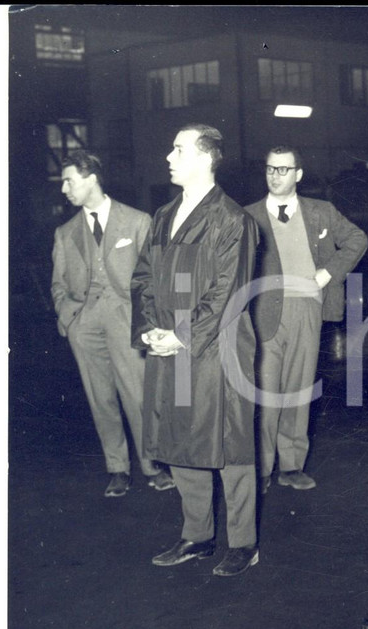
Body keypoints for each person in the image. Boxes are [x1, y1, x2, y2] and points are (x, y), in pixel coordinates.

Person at [131, 124, 260, 577]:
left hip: (217, 347)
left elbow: (228, 292)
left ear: (205, 158)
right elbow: (144, 277)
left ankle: (243, 543)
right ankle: (198, 536)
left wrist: (181, 335)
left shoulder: (233, 220)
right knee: (182, 435)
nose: (169, 155)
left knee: (231, 442)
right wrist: (151, 328)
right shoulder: (165, 215)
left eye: (178, 149)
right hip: (173, 346)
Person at [51, 150, 175, 497]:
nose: (64, 189)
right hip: (84, 324)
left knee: (138, 397)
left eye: (68, 181)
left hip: (127, 321)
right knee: (99, 398)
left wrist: (150, 322)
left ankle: (152, 466)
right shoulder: (65, 232)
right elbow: (58, 283)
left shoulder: (137, 221)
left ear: (90, 178)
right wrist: (70, 318)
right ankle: (117, 468)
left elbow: (155, 277)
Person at [246, 146, 368, 493]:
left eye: (283, 170)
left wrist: (328, 273)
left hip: (308, 309)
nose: (275, 176)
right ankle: (260, 468)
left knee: (299, 388)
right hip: (264, 311)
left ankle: (291, 465)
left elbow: (357, 240)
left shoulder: (321, 212)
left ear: (298, 174)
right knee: (266, 390)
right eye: (270, 169)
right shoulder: (247, 216)